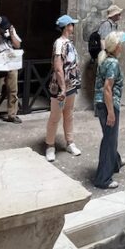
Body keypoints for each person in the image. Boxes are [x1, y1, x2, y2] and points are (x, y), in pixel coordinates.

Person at [93, 30, 125, 189]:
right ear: (115, 47)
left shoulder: (104, 59)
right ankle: (103, 178)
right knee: (109, 139)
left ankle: (115, 162)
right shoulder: (113, 63)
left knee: (110, 136)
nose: (121, 46)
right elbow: (107, 89)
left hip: (102, 103)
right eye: (120, 44)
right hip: (108, 104)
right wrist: (111, 112)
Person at [46, 14, 82, 161]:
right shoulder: (60, 43)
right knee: (55, 116)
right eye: (72, 24)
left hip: (70, 85)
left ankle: (70, 142)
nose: (73, 27)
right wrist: (62, 89)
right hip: (61, 88)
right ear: (67, 26)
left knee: (69, 114)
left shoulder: (68, 42)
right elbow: (58, 68)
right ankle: (50, 145)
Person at [0, 16, 23, 124]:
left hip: (11, 61)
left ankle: (12, 115)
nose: (5, 29)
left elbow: (18, 45)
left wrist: (11, 34)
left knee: (13, 90)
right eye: (3, 28)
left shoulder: (10, 30)